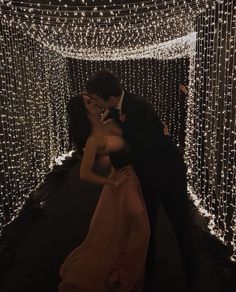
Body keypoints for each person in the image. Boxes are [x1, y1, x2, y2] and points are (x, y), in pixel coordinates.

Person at [84, 69, 199, 291]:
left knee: (181, 226)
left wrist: (111, 159)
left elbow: (143, 150)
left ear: (107, 96)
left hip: (168, 176)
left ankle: (193, 275)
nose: (95, 101)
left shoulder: (138, 107)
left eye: (95, 97)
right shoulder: (116, 110)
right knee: (147, 229)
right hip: (145, 176)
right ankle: (147, 278)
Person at [59, 95, 150, 292]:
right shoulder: (93, 139)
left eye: (92, 99)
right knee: (141, 230)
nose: (94, 102)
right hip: (124, 183)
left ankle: (122, 272)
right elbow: (84, 174)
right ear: (84, 113)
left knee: (122, 234)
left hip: (135, 178)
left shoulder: (109, 122)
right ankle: (125, 278)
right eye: (89, 102)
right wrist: (112, 181)